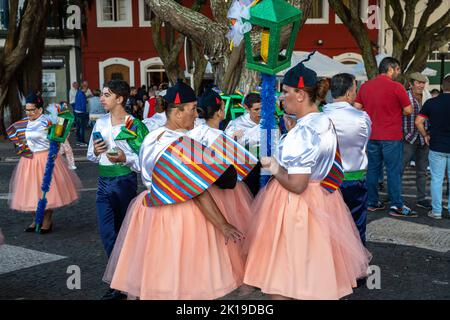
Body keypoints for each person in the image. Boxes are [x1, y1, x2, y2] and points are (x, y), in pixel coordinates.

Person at [103, 80, 245, 300]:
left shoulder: (151, 137)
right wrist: (223, 224)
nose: (196, 115)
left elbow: (142, 168)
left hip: (149, 211)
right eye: (192, 109)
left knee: (158, 274)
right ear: (178, 113)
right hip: (180, 213)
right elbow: (197, 191)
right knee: (187, 278)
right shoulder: (181, 144)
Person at [243, 62, 370, 300]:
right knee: (312, 278)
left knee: (282, 281)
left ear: (300, 95)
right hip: (323, 200)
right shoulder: (323, 121)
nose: (282, 97)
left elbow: (296, 184)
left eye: (286, 91)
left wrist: (272, 165)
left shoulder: (302, 133)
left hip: (295, 208)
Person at [87, 80, 148, 300]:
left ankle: (123, 283)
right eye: (102, 94)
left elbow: (145, 160)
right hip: (103, 181)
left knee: (124, 233)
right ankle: (118, 279)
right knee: (107, 233)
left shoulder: (134, 125)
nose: (101, 99)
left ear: (120, 99)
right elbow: (91, 156)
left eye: (106, 95)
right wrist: (95, 150)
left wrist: (126, 158)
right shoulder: (100, 123)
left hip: (124, 182)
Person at [7, 93, 81, 234]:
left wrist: (56, 150)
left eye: (32, 110)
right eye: (27, 110)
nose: (29, 113)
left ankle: (47, 221)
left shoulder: (47, 122)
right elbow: (19, 137)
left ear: (40, 110)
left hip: (46, 159)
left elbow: (59, 139)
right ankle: (36, 219)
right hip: (28, 161)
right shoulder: (25, 123)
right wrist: (21, 145)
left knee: (47, 192)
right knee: (30, 192)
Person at [355, 57, 415, 217]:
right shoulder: (397, 87)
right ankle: (397, 205)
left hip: (372, 135)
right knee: (393, 171)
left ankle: (372, 201)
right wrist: (396, 111)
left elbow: (357, 107)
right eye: (397, 70)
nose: (398, 73)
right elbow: (408, 110)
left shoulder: (366, 86)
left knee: (373, 169)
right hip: (392, 136)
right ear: (391, 68)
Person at [323, 73, 371, 245]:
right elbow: (364, 144)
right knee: (356, 225)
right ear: (350, 93)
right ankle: (358, 262)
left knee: (328, 226)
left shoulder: (319, 116)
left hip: (326, 180)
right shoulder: (362, 117)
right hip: (354, 178)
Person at [416, 75, 450, 219]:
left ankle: (436, 211)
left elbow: (418, 121)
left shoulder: (431, 102)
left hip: (437, 145)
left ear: (443, 87)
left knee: (437, 179)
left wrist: (425, 135)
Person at [402, 72, 432, 211]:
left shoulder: (427, 96)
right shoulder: (405, 96)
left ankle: (421, 198)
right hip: (408, 138)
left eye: (423, 83)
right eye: (418, 83)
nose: (421, 85)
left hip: (423, 138)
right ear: (411, 83)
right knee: (399, 169)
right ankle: (395, 196)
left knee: (422, 171)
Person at [225, 93, 263, 196]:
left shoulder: (268, 121)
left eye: (262, 108)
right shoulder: (236, 124)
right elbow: (226, 146)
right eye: (256, 109)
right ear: (247, 108)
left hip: (265, 167)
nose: (260, 112)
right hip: (246, 169)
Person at [58, 101, 77, 170]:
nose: (65, 107)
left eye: (66, 105)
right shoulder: (60, 116)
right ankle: (71, 164)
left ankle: (54, 163)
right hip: (62, 136)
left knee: (61, 151)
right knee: (68, 150)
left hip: (65, 135)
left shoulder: (67, 115)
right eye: (64, 105)